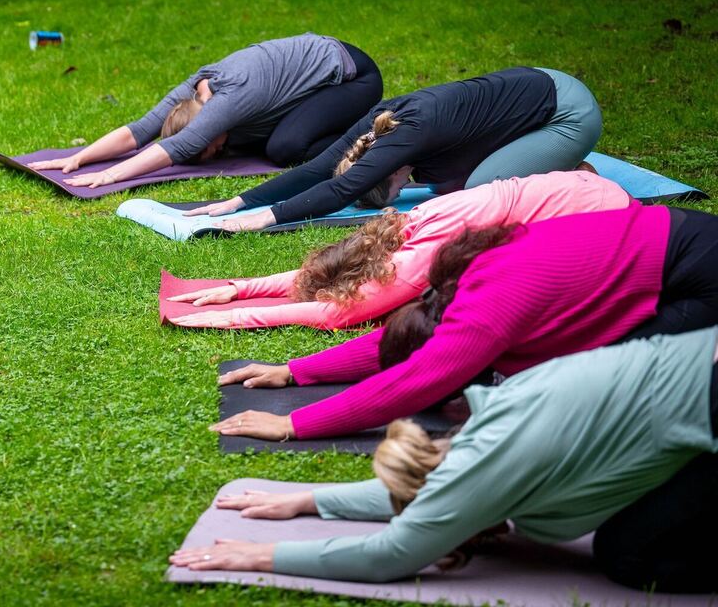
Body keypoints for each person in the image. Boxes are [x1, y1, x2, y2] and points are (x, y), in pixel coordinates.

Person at [170, 326, 718, 594]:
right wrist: (307, 500)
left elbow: (392, 556)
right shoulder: (489, 418)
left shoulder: (492, 464)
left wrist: (260, 558)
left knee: (630, 556)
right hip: (699, 359)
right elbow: (420, 496)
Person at [211, 202, 718, 442]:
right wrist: (298, 371)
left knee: (627, 383)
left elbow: (412, 380)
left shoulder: (481, 318)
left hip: (697, 270)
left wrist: (294, 422)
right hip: (678, 238)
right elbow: (397, 346)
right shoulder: (452, 288)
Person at [167, 169, 631, 329]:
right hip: (581, 189)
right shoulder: (403, 223)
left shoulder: (421, 256)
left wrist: (238, 314)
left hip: (612, 223)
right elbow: (327, 289)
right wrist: (241, 287)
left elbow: (340, 314)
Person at [184, 66, 603, 232]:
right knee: (448, 187)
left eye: (395, 191)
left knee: (480, 193)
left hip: (568, 111)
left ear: (389, 170)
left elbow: (341, 189)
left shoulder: (408, 134)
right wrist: (240, 200)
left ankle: (572, 170)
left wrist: (258, 221)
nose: (403, 193)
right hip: (540, 87)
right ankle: (551, 157)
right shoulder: (379, 126)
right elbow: (319, 169)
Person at [28, 33, 383, 188]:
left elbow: (177, 148)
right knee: (260, 140)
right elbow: (140, 130)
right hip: (315, 82)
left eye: (208, 151)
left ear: (212, 131)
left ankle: (367, 132)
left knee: (283, 149)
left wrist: (109, 176)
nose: (212, 155)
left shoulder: (230, 100)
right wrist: (79, 158)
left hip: (354, 78)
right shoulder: (195, 89)